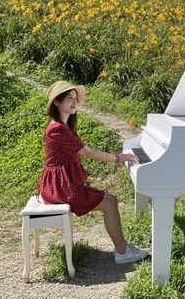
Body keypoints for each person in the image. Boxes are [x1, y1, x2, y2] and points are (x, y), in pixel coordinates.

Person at [37, 80, 148, 264]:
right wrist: (119, 158)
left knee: (110, 200)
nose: (74, 102)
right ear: (56, 102)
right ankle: (122, 252)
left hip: (63, 185)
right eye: (69, 99)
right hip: (61, 189)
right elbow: (89, 153)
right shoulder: (57, 129)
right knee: (109, 203)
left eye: (75, 99)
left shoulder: (63, 127)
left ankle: (122, 248)